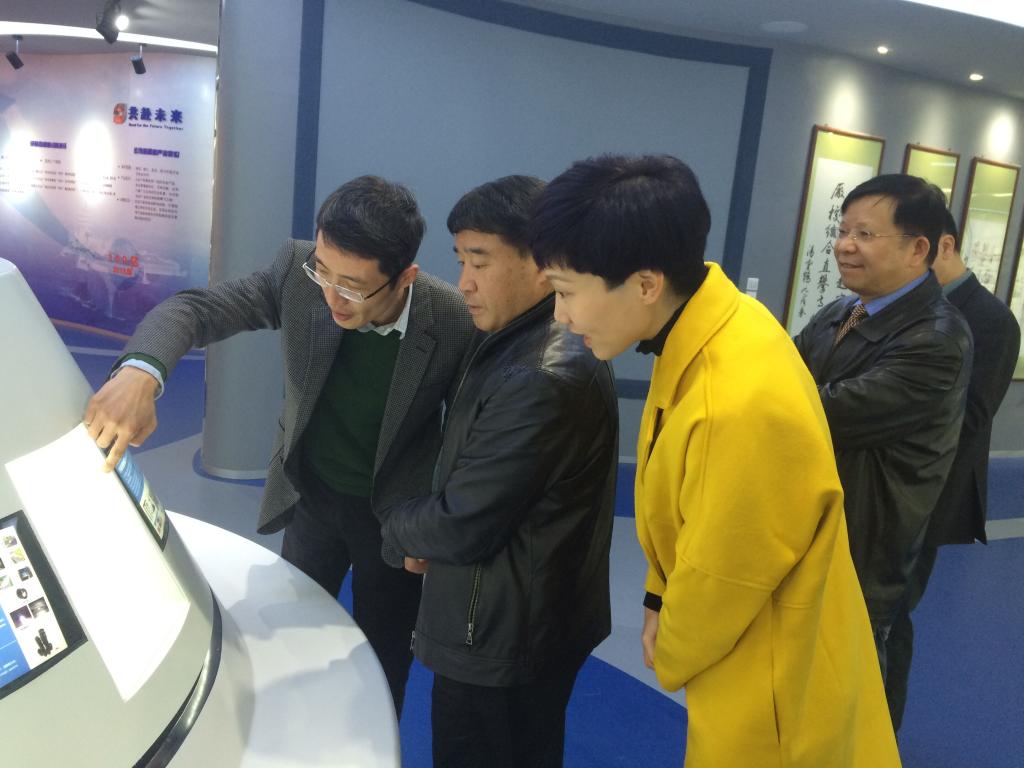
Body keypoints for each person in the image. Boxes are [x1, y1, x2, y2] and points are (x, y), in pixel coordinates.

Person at [529, 153, 898, 766]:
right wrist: (657, 596)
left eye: (566, 292)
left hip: (776, 682)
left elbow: (726, 576)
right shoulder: (708, 325)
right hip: (758, 650)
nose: (560, 315)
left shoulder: (738, 397)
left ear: (645, 284)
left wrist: (673, 644)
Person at [83, 176, 475, 716]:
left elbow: (467, 433)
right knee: (290, 636)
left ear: (404, 277)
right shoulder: (297, 271)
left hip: (395, 514)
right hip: (311, 495)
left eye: (353, 286)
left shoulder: (451, 318)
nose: (331, 296)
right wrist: (141, 372)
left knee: (384, 657)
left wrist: (437, 520)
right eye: (324, 271)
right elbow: (196, 309)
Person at [380, 175, 617, 768]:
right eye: (460, 260)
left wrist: (397, 526)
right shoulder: (520, 340)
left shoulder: (539, 373)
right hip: (517, 616)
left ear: (540, 265)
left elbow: (464, 522)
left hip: (500, 634)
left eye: (480, 262)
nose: (464, 281)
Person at [793, 174, 973, 707]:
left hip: (866, 545)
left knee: (848, 695)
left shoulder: (936, 338)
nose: (845, 245)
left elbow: (821, 411)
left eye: (865, 234)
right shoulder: (838, 314)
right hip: (809, 526)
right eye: (843, 230)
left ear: (919, 249)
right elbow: (782, 375)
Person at [883, 208, 1020, 731]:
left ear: (941, 246)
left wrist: (880, 420)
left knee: (891, 617)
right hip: (877, 489)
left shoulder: (991, 321)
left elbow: (971, 419)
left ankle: (880, 738)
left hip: (927, 495)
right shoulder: (901, 308)